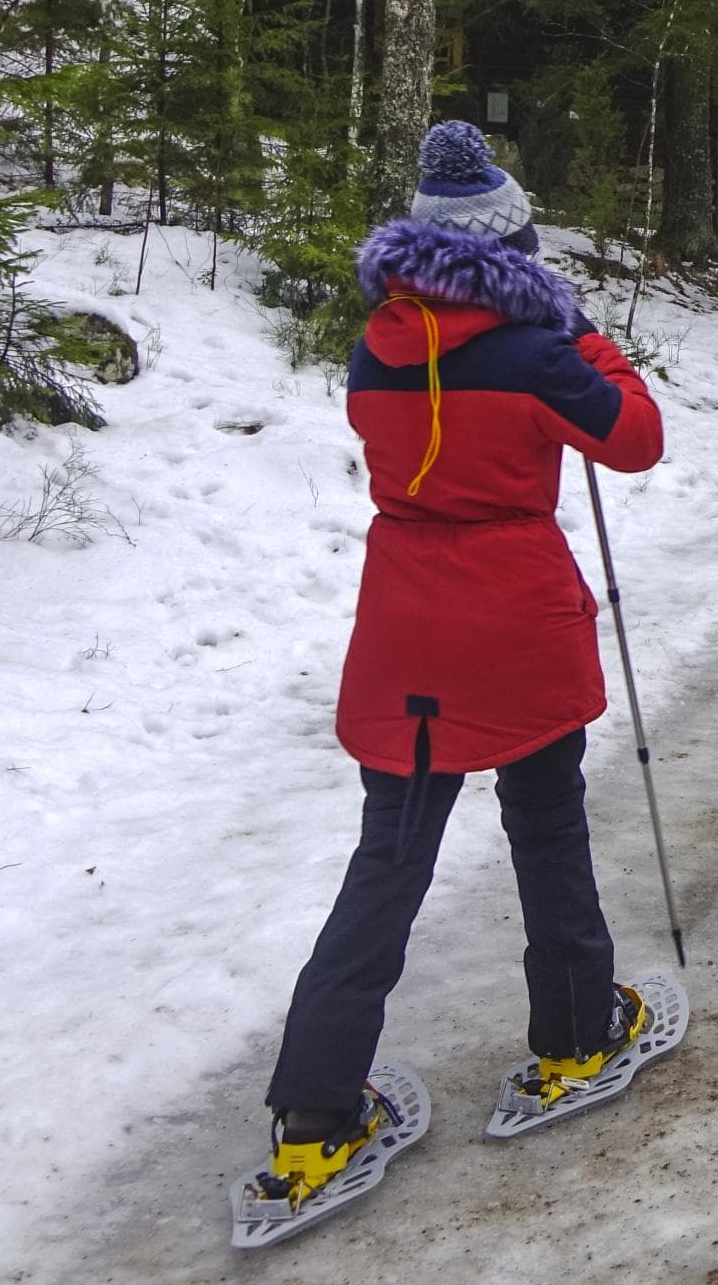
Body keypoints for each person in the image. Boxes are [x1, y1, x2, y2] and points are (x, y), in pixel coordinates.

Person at [244, 121, 667, 1230]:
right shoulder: (537, 349)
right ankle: (576, 1033)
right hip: (515, 618)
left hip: (406, 622)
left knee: (388, 857)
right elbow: (634, 439)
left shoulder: (374, 349)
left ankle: (315, 1106)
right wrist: (590, 341)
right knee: (544, 817)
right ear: (517, 243)